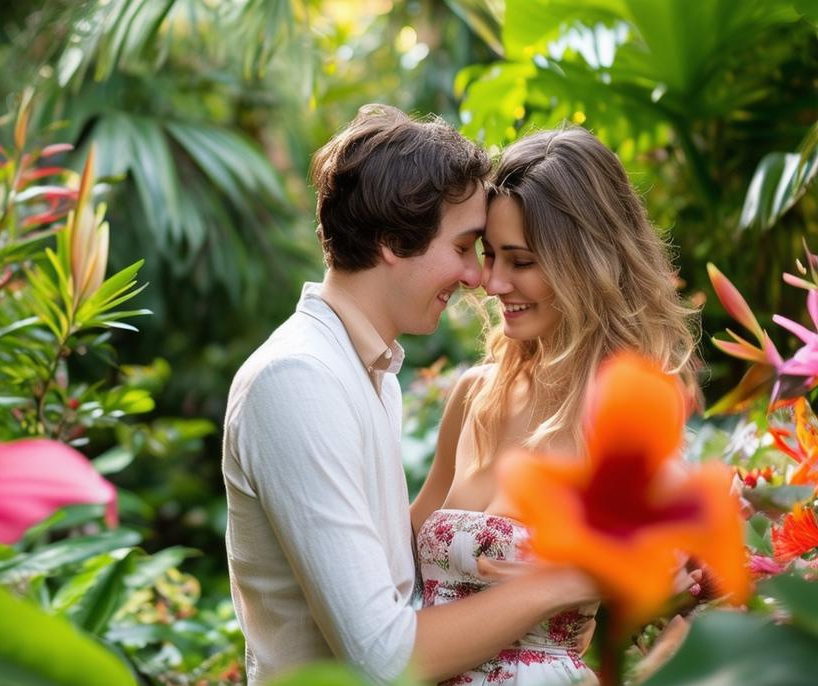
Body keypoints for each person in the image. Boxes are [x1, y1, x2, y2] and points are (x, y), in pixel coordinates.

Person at [223, 106, 598, 685]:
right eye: (465, 247)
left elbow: (405, 582)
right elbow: (384, 658)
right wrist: (563, 582)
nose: (478, 277)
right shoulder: (298, 380)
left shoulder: (370, 373)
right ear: (395, 242)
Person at [409, 126, 700, 685]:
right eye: (490, 256)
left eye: (520, 261)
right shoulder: (474, 396)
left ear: (585, 264)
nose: (492, 282)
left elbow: (680, 600)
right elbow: (395, 571)